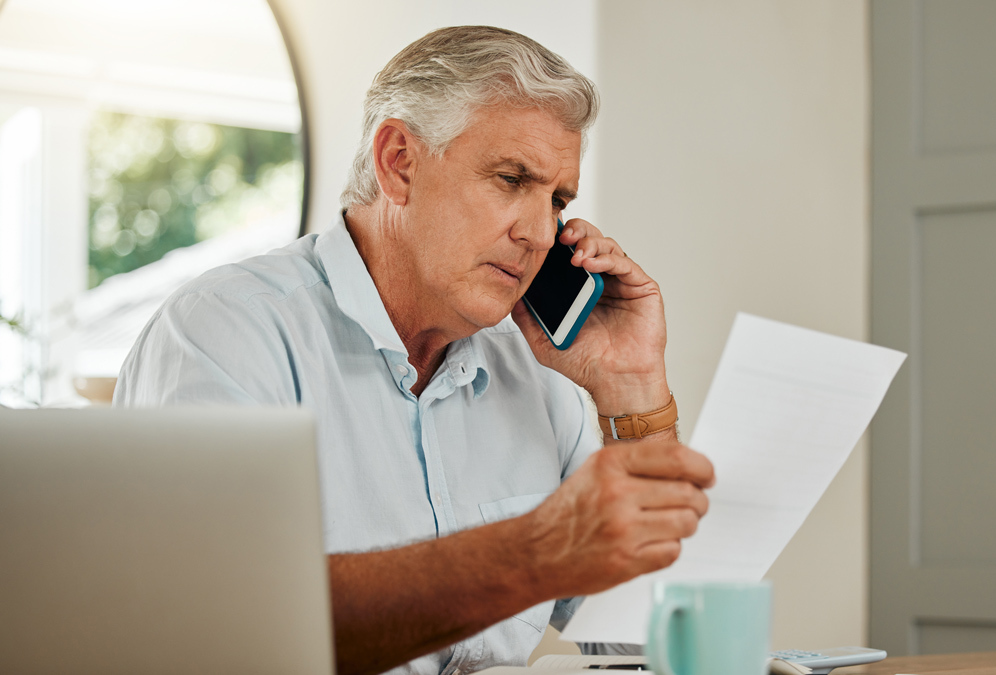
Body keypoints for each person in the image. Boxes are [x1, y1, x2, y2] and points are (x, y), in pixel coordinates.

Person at [114, 25, 714, 675]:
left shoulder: (534, 372)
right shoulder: (224, 334)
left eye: (558, 199)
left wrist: (632, 387)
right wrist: (531, 552)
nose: (541, 232)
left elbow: (660, 645)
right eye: (512, 179)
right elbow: (220, 631)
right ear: (399, 161)